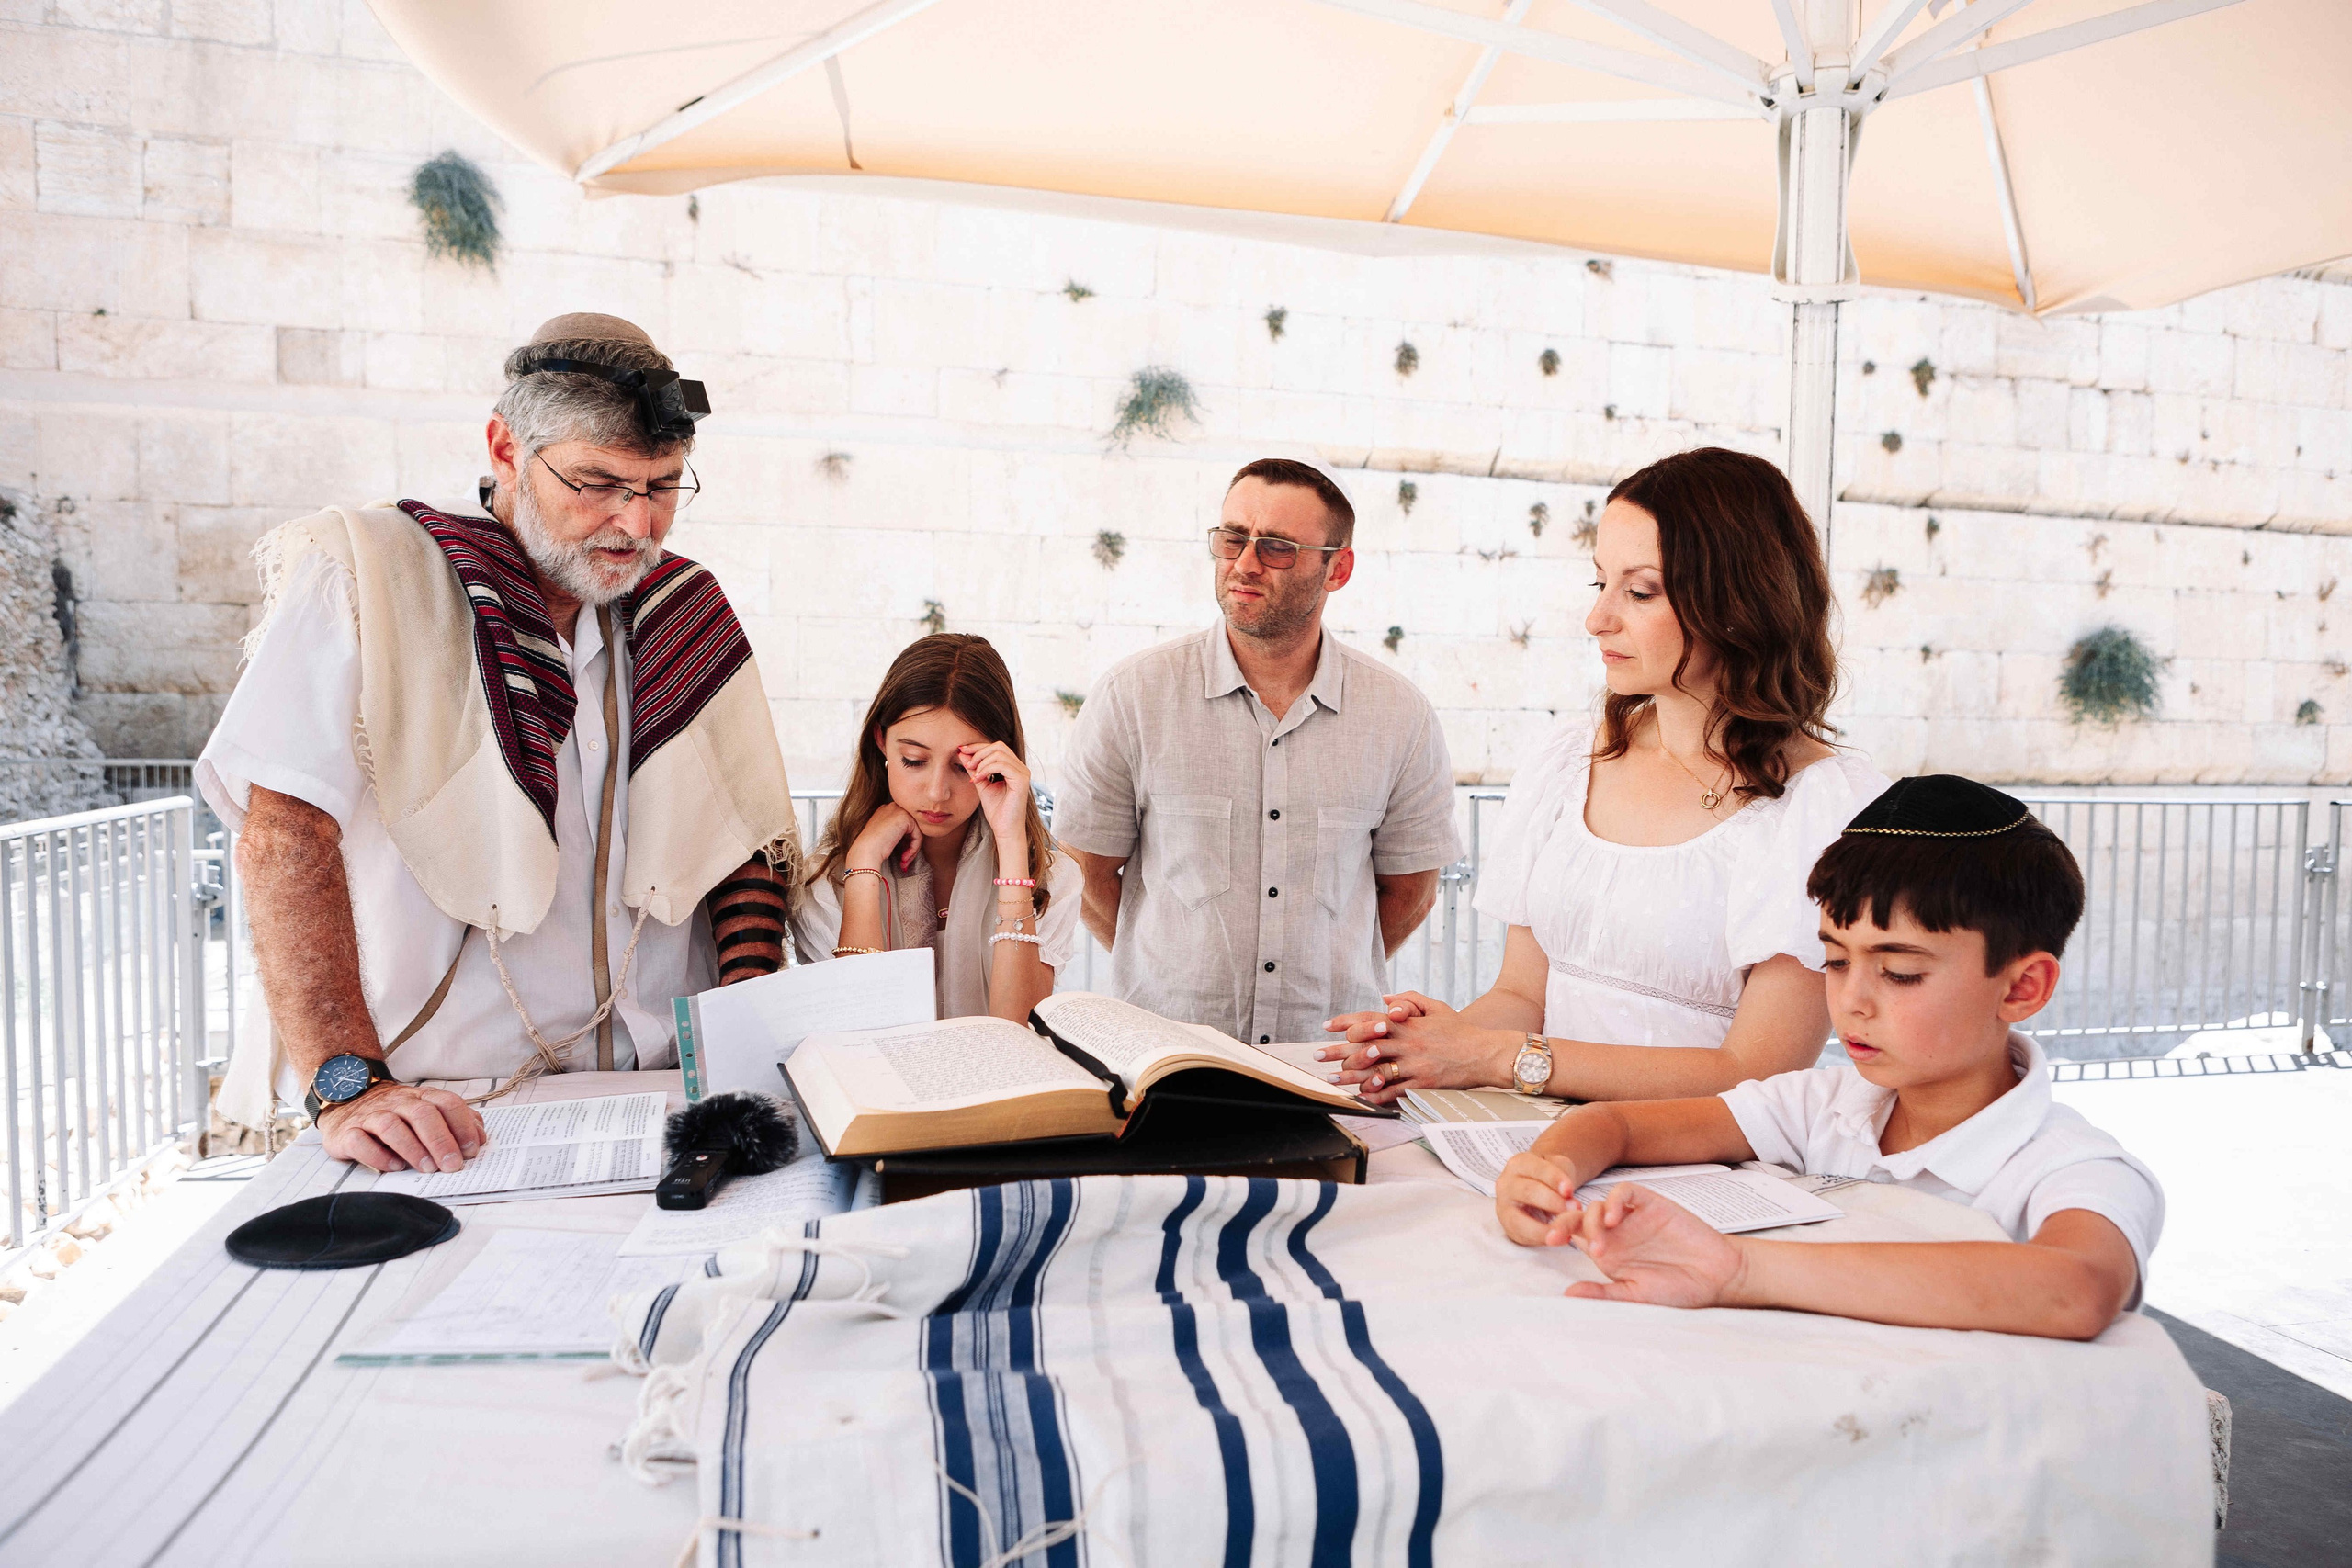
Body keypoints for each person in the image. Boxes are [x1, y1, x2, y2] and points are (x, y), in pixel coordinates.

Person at [198, 314, 797, 1174]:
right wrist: (347, 1082)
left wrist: (745, 1019)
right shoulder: (371, 577)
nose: (636, 521)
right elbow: (285, 830)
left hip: (673, 1103)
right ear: (507, 448)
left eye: (664, 485)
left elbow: (745, 836)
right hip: (444, 1119)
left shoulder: (683, 609)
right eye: (598, 482)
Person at [1492, 775, 2164, 1341]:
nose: (1852, 1002)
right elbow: (1622, 1125)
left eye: (1899, 973)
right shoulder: (1825, 1106)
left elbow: (2076, 1288)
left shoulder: (2075, 1167)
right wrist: (1549, 1167)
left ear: (2021, 987)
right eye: (1835, 961)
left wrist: (1738, 1268)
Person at [1323, 447, 1886, 1104]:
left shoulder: (1820, 806)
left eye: (1639, 590)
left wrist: (1503, 1057)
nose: (1598, 619)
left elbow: (1756, 1072)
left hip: (1703, 1170)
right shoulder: (1568, 762)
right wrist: (1416, 1050)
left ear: (1736, 602)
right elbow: (1522, 995)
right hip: (1536, 1141)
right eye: (1601, 583)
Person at [1051, 458, 1463, 1046]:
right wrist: (1168, 965)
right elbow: (1084, 870)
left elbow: (1412, 890)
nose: (1244, 563)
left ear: (1337, 569)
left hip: (1331, 1064)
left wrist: (1327, 968)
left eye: (1275, 547)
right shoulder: (1134, 697)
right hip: (1169, 1059)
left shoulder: (1401, 716)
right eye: (1232, 538)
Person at [793, 634, 1082, 1021]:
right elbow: (857, 1032)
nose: (936, 793)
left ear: (1002, 756)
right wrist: (863, 864)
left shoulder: (1052, 877)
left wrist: (1011, 841)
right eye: (914, 760)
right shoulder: (824, 884)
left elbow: (1016, 1028)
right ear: (881, 741)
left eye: (964, 766)